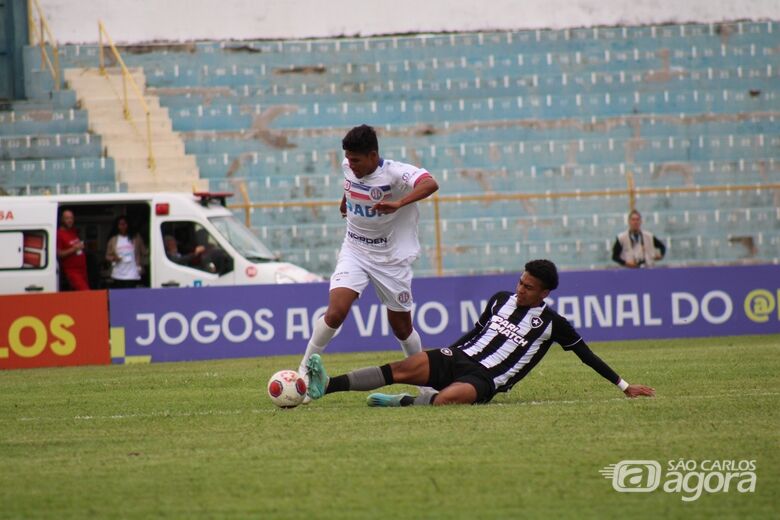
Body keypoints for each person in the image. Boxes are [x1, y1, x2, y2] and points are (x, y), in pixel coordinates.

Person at [304, 259, 655, 406]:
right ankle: (327, 385)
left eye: (529, 287)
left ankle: (405, 403)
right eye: (520, 282)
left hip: (487, 379)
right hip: (459, 357)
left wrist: (625, 387)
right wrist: (442, 355)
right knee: (401, 368)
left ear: (544, 293)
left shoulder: (553, 324)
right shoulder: (500, 299)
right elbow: (475, 332)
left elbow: (586, 356)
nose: (520, 289)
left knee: (447, 401)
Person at [298, 124, 439, 392]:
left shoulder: (395, 173)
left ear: (373, 156)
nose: (351, 165)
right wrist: (345, 200)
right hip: (355, 250)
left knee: (401, 328)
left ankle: (426, 384)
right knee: (336, 311)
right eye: (348, 159)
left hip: (390, 259)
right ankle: (303, 371)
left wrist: (399, 203)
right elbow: (351, 185)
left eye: (356, 160)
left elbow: (431, 183)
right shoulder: (348, 166)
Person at [105, 216, 147, 288]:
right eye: (120, 224)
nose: (122, 226)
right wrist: (114, 258)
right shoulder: (113, 239)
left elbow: (144, 251)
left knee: (130, 293)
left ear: (128, 225)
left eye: (124, 224)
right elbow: (107, 256)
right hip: (118, 273)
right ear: (117, 226)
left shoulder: (136, 237)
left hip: (132, 272)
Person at [56, 209, 90, 291]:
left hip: (82, 270)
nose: (70, 220)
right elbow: (59, 254)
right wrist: (74, 248)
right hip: (73, 272)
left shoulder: (72, 231)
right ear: (62, 219)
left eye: (71, 218)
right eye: (67, 218)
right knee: (86, 293)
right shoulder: (59, 234)